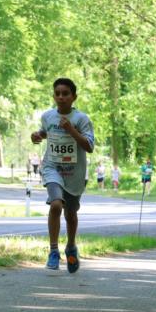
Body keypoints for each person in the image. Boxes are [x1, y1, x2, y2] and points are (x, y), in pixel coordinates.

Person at [30, 78, 95, 273]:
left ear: (74, 96)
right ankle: (53, 251)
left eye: (65, 93)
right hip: (52, 167)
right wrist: (38, 136)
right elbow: (46, 131)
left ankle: (71, 246)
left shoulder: (82, 119)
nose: (61, 97)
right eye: (57, 93)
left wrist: (71, 130)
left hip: (74, 172)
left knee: (71, 214)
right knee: (56, 204)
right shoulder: (48, 116)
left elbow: (89, 146)